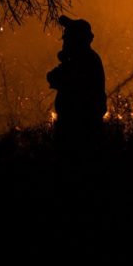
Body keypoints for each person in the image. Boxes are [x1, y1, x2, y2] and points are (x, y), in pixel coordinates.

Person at [47, 15, 107, 160]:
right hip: (78, 126)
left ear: (77, 40)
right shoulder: (82, 58)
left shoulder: (82, 60)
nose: (64, 40)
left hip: (77, 129)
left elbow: (56, 78)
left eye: (68, 37)